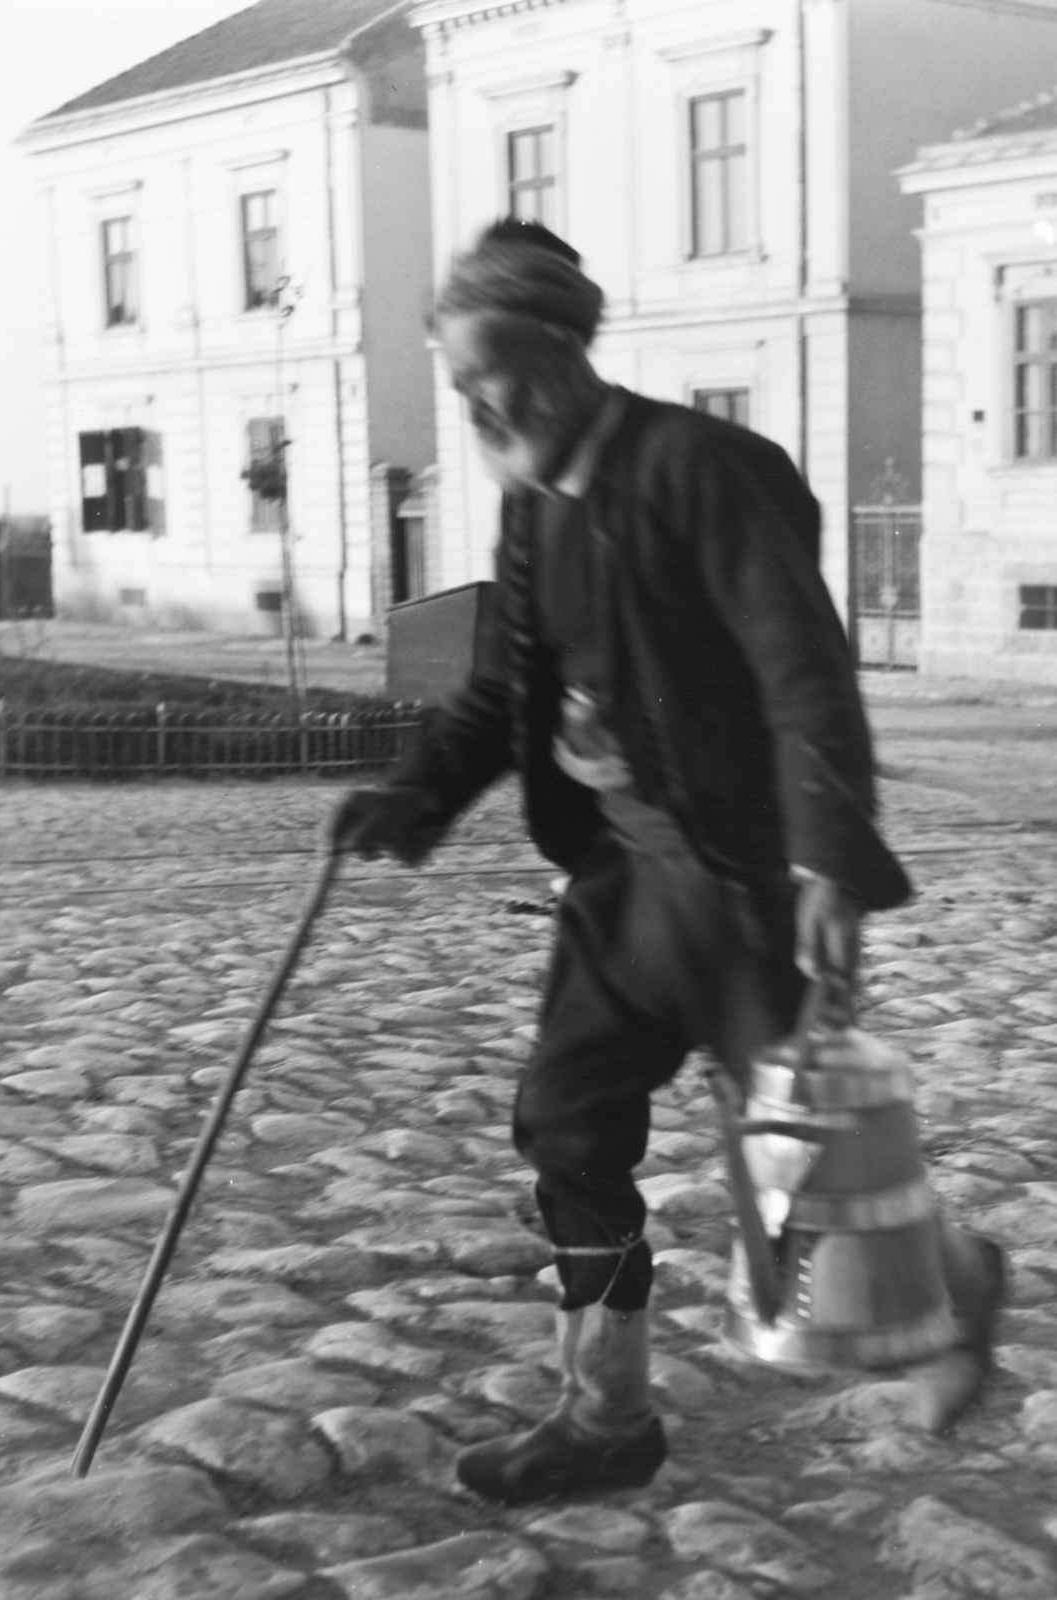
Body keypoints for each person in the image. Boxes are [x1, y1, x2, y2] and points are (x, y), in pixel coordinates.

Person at [334, 219, 1004, 1503]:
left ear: (561, 349)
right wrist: (412, 794)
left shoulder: (709, 468)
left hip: (742, 880)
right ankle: (606, 1415)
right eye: (459, 384)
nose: (476, 408)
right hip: (621, 883)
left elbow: (801, 668)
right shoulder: (535, 506)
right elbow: (504, 690)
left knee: (804, 1149)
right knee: (568, 1126)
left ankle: (956, 1279)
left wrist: (828, 863)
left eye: (489, 374)